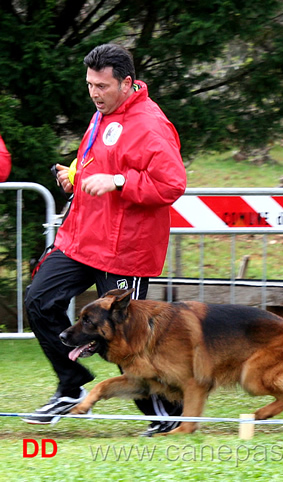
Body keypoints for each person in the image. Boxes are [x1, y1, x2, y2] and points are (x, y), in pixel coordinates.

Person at [23, 44, 187, 436]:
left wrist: (117, 182)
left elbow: (172, 184)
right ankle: (71, 383)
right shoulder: (103, 115)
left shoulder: (151, 125)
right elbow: (99, 166)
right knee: (39, 301)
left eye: (103, 85)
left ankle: (163, 413)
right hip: (82, 238)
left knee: (124, 335)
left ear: (127, 83)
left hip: (125, 249)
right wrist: (74, 179)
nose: (95, 93)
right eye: (90, 85)